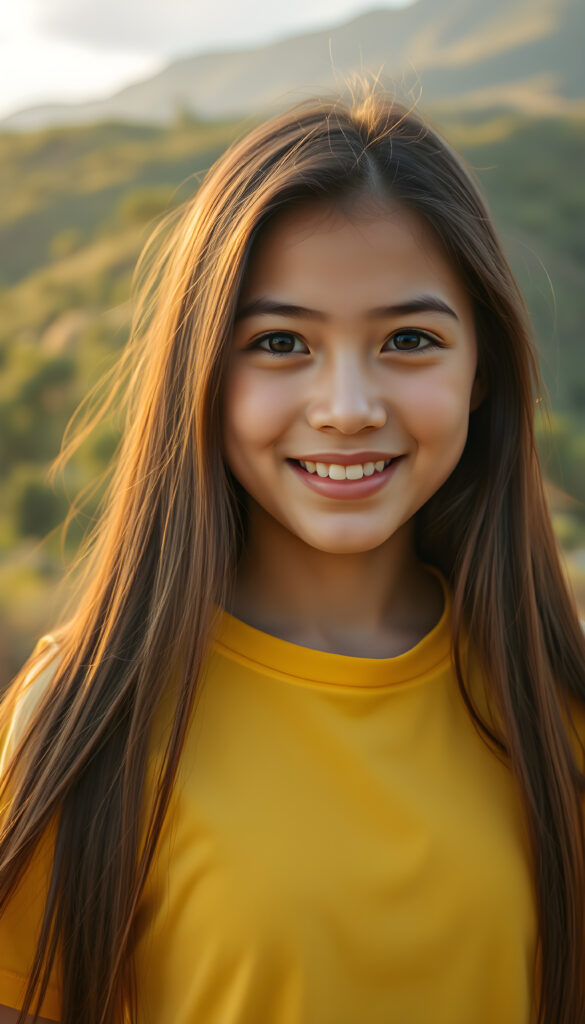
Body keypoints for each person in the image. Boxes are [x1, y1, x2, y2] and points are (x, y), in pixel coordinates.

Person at [0, 85, 584, 1024]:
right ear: (204, 376)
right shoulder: (87, 715)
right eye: (279, 342)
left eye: (408, 340)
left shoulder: (554, 706)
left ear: (482, 371)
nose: (347, 405)